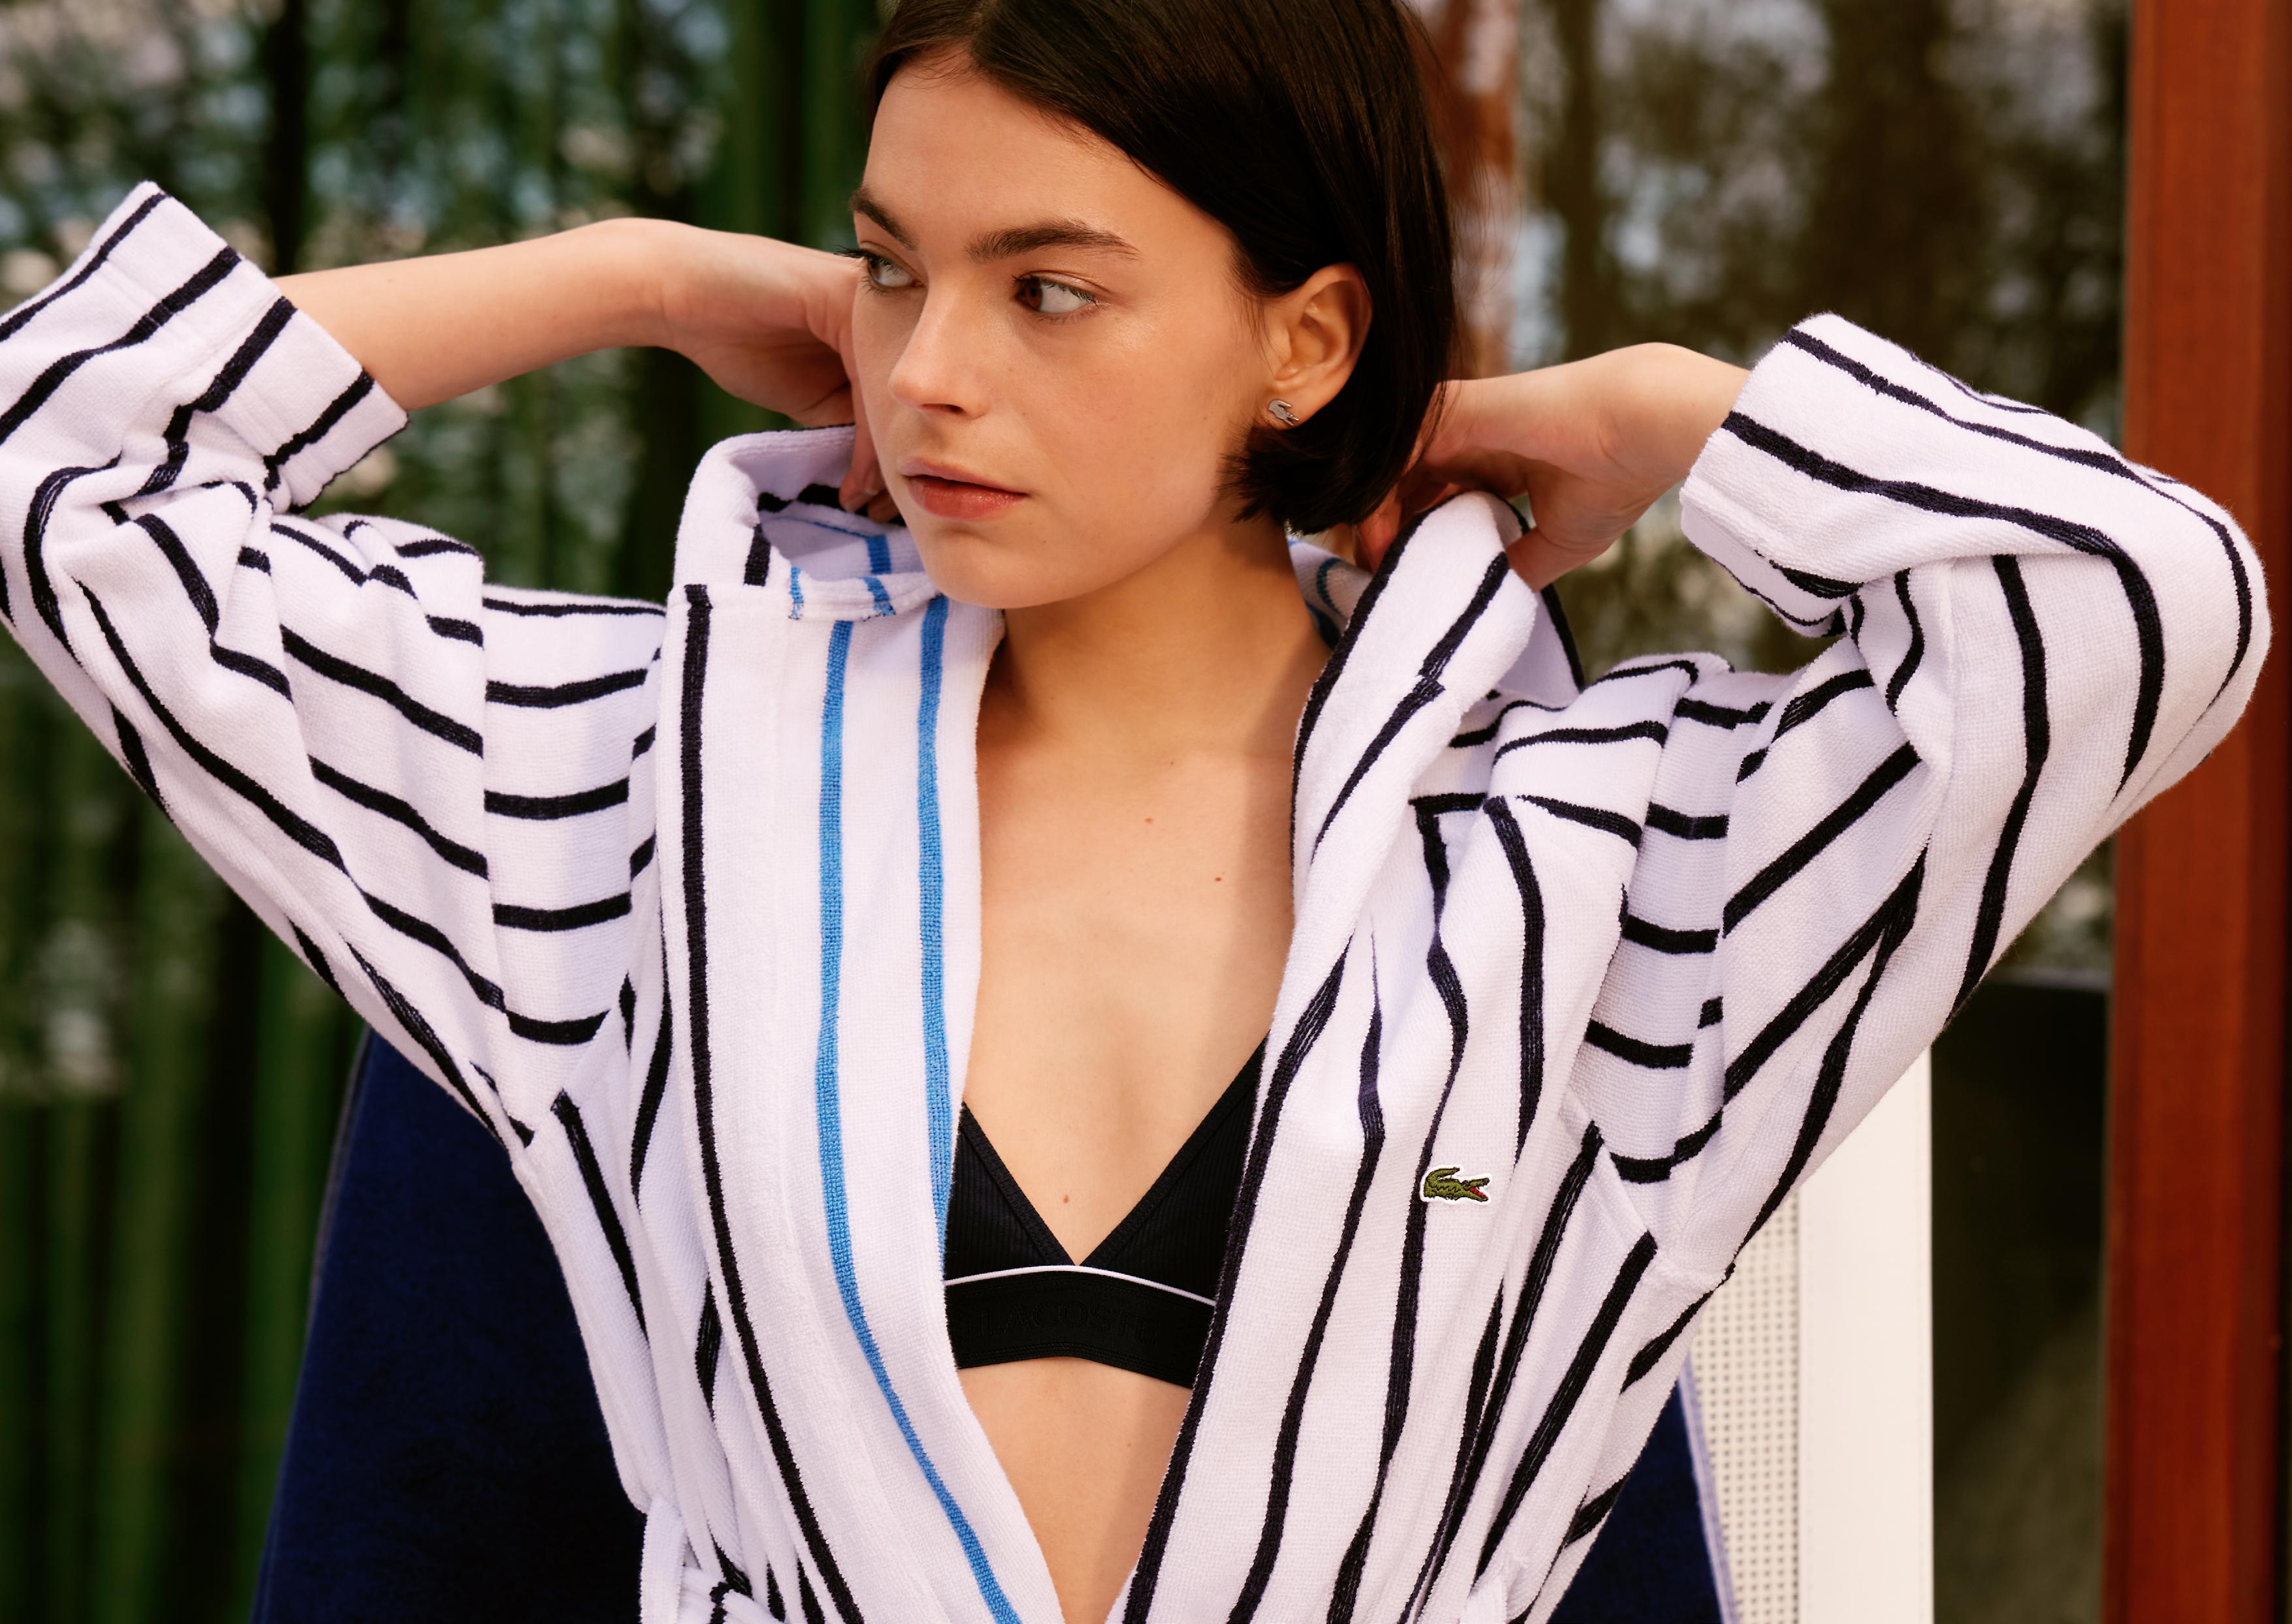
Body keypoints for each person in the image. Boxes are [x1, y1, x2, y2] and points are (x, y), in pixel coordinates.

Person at [0, 0, 2264, 1617]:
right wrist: (646, 276)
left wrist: (1663, 412)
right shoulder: (628, 791)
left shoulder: (1605, 862)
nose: (929, 374)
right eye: (894, 267)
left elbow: (2133, 603)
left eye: (1051, 290)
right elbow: (61, 466)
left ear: (1304, 340)